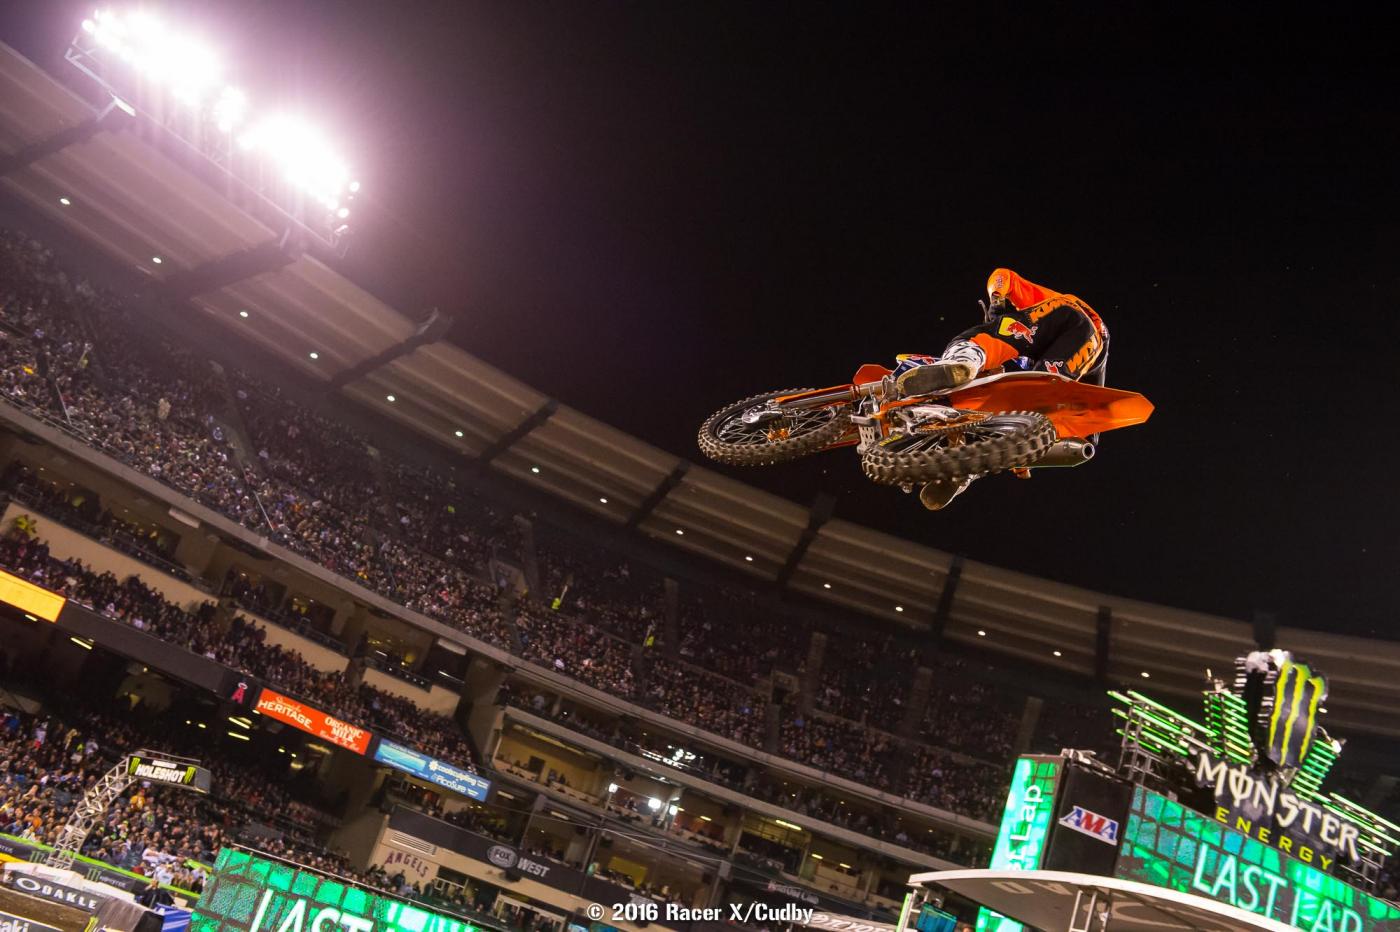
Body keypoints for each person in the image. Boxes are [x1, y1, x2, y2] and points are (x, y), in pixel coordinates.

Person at [892, 268, 1109, 510]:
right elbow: (1087, 420)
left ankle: (964, 360)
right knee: (1031, 404)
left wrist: (997, 302)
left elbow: (1003, 275)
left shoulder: (1054, 302)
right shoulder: (1097, 352)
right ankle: (965, 471)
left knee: (990, 338)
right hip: (1087, 351)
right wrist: (1022, 454)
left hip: (1068, 313)